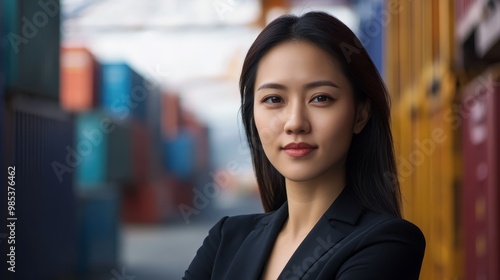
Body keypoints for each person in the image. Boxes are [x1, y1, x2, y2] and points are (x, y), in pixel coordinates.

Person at [183, 11, 425, 280]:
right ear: (252, 113)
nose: (295, 122)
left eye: (320, 98)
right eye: (274, 99)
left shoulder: (386, 244)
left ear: (360, 114)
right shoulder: (225, 239)